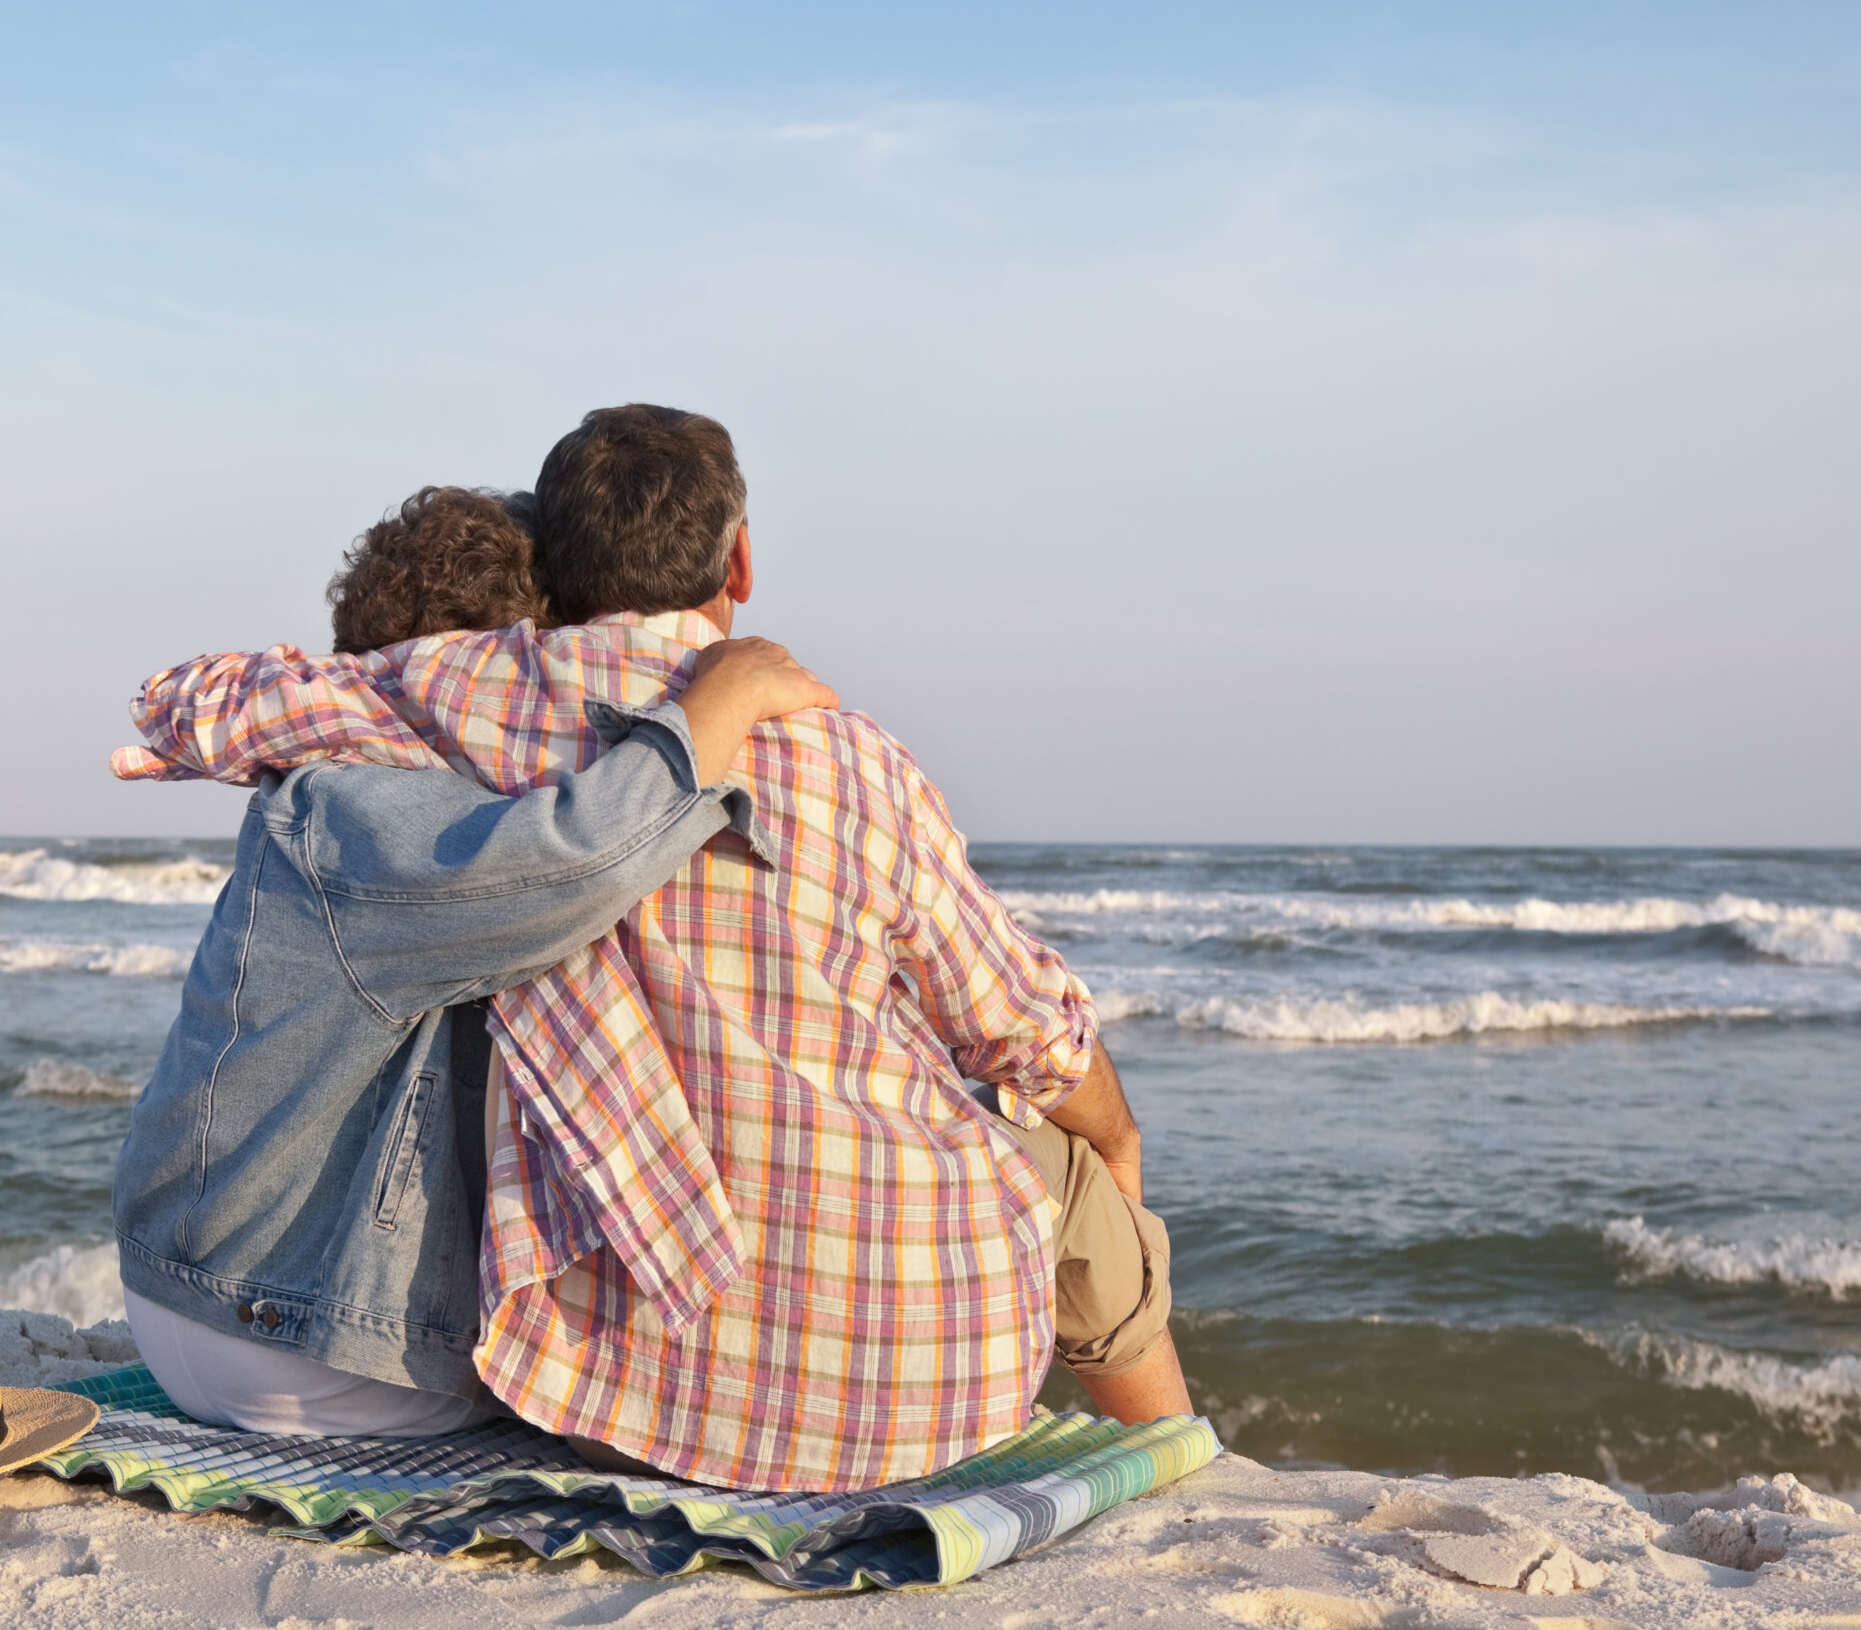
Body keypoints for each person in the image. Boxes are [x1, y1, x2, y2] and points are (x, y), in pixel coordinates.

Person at [118, 405, 1188, 1490]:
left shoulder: (465, 719)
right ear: (741, 560)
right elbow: (1018, 1024)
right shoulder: (832, 761)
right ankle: (1180, 1455)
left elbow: (217, 693)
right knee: (1040, 1154)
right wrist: (1116, 1132)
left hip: (511, 1372)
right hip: (343, 1347)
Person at [111, 483, 836, 1436]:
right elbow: (574, 856)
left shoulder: (355, 788)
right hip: (274, 1328)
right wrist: (711, 711)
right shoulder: (356, 809)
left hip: (210, 1291)